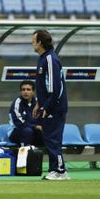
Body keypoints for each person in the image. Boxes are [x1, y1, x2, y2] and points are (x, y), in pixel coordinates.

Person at [32, 30, 70, 180]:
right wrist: (38, 104)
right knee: (49, 138)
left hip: (54, 107)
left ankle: (60, 171)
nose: (32, 42)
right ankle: (54, 170)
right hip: (47, 105)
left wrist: (47, 108)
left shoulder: (50, 59)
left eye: (33, 40)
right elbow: (44, 86)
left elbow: (54, 88)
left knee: (53, 139)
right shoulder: (43, 59)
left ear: (40, 42)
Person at [8, 80, 43, 146]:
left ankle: (39, 154)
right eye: (23, 90)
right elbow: (19, 123)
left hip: (32, 130)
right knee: (27, 131)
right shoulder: (17, 103)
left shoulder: (37, 103)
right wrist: (35, 126)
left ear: (33, 91)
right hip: (15, 131)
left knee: (44, 132)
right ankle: (24, 153)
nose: (25, 92)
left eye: (28, 89)